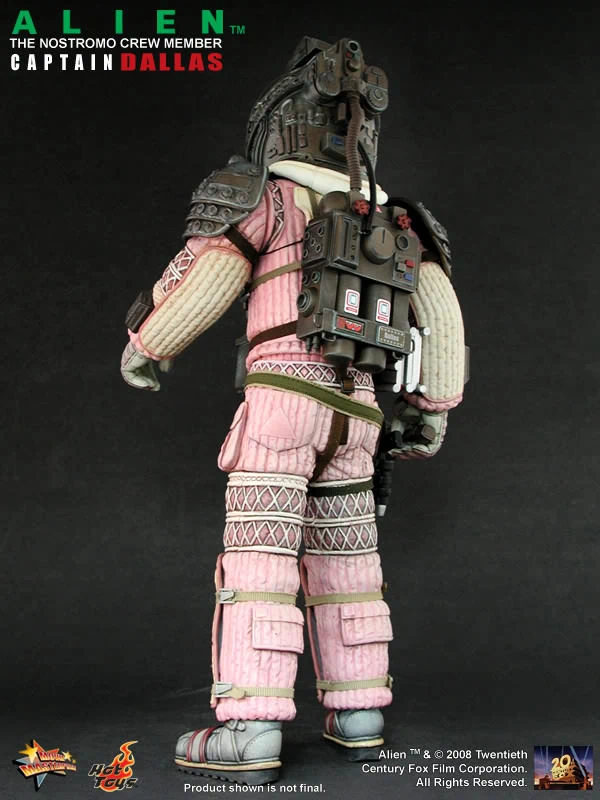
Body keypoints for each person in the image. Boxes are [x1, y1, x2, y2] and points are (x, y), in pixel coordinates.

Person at [120, 36, 467, 786]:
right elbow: (442, 315)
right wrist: (431, 409)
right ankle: (360, 712)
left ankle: (250, 729)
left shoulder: (267, 197)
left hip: (280, 404)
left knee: (262, 555)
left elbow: (206, 278)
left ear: (279, 123)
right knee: (349, 558)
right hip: (359, 414)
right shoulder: (395, 219)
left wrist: (146, 345)